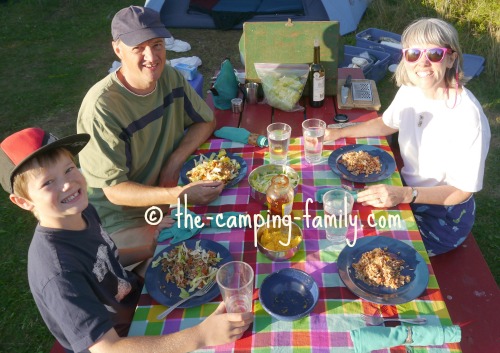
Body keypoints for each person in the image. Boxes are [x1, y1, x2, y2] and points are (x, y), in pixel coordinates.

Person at [0, 127, 253, 353]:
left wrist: (149, 248)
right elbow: (107, 349)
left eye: (69, 169)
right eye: (48, 183)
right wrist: (201, 336)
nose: (68, 184)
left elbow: (104, 258)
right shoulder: (57, 272)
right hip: (124, 340)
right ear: (23, 202)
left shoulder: (81, 211)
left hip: (137, 301)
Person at [325, 18, 490, 256]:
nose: (422, 62)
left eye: (434, 53)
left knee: (363, 249)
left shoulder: (467, 116)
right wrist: (337, 133)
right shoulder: (411, 89)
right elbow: (386, 124)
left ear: (451, 58)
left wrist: (405, 194)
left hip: (442, 215)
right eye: (414, 53)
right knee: (338, 216)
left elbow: (462, 191)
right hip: (406, 192)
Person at [76, 6, 224, 271]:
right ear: (117, 49)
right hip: (122, 218)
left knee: (227, 237)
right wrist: (179, 196)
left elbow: (206, 120)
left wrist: (175, 161)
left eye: (157, 44)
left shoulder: (170, 76)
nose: (152, 57)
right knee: (181, 268)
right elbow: (114, 191)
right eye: (139, 48)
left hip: (167, 191)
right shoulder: (102, 108)